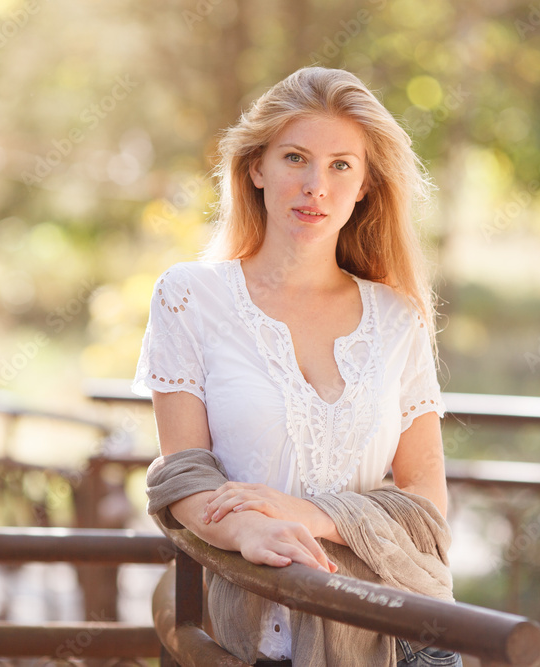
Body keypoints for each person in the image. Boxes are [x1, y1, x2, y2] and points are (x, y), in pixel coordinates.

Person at [134, 67, 462, 666]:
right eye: (295, 158)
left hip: (396, 637)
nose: (317, 185)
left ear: (365, 186)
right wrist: (248, 532)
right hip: (251, 633)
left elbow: (425, 505)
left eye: (341, 165)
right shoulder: (189, 297)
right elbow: (183, 475)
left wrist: (305, 515)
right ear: (256, 167)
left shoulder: (397, 317)